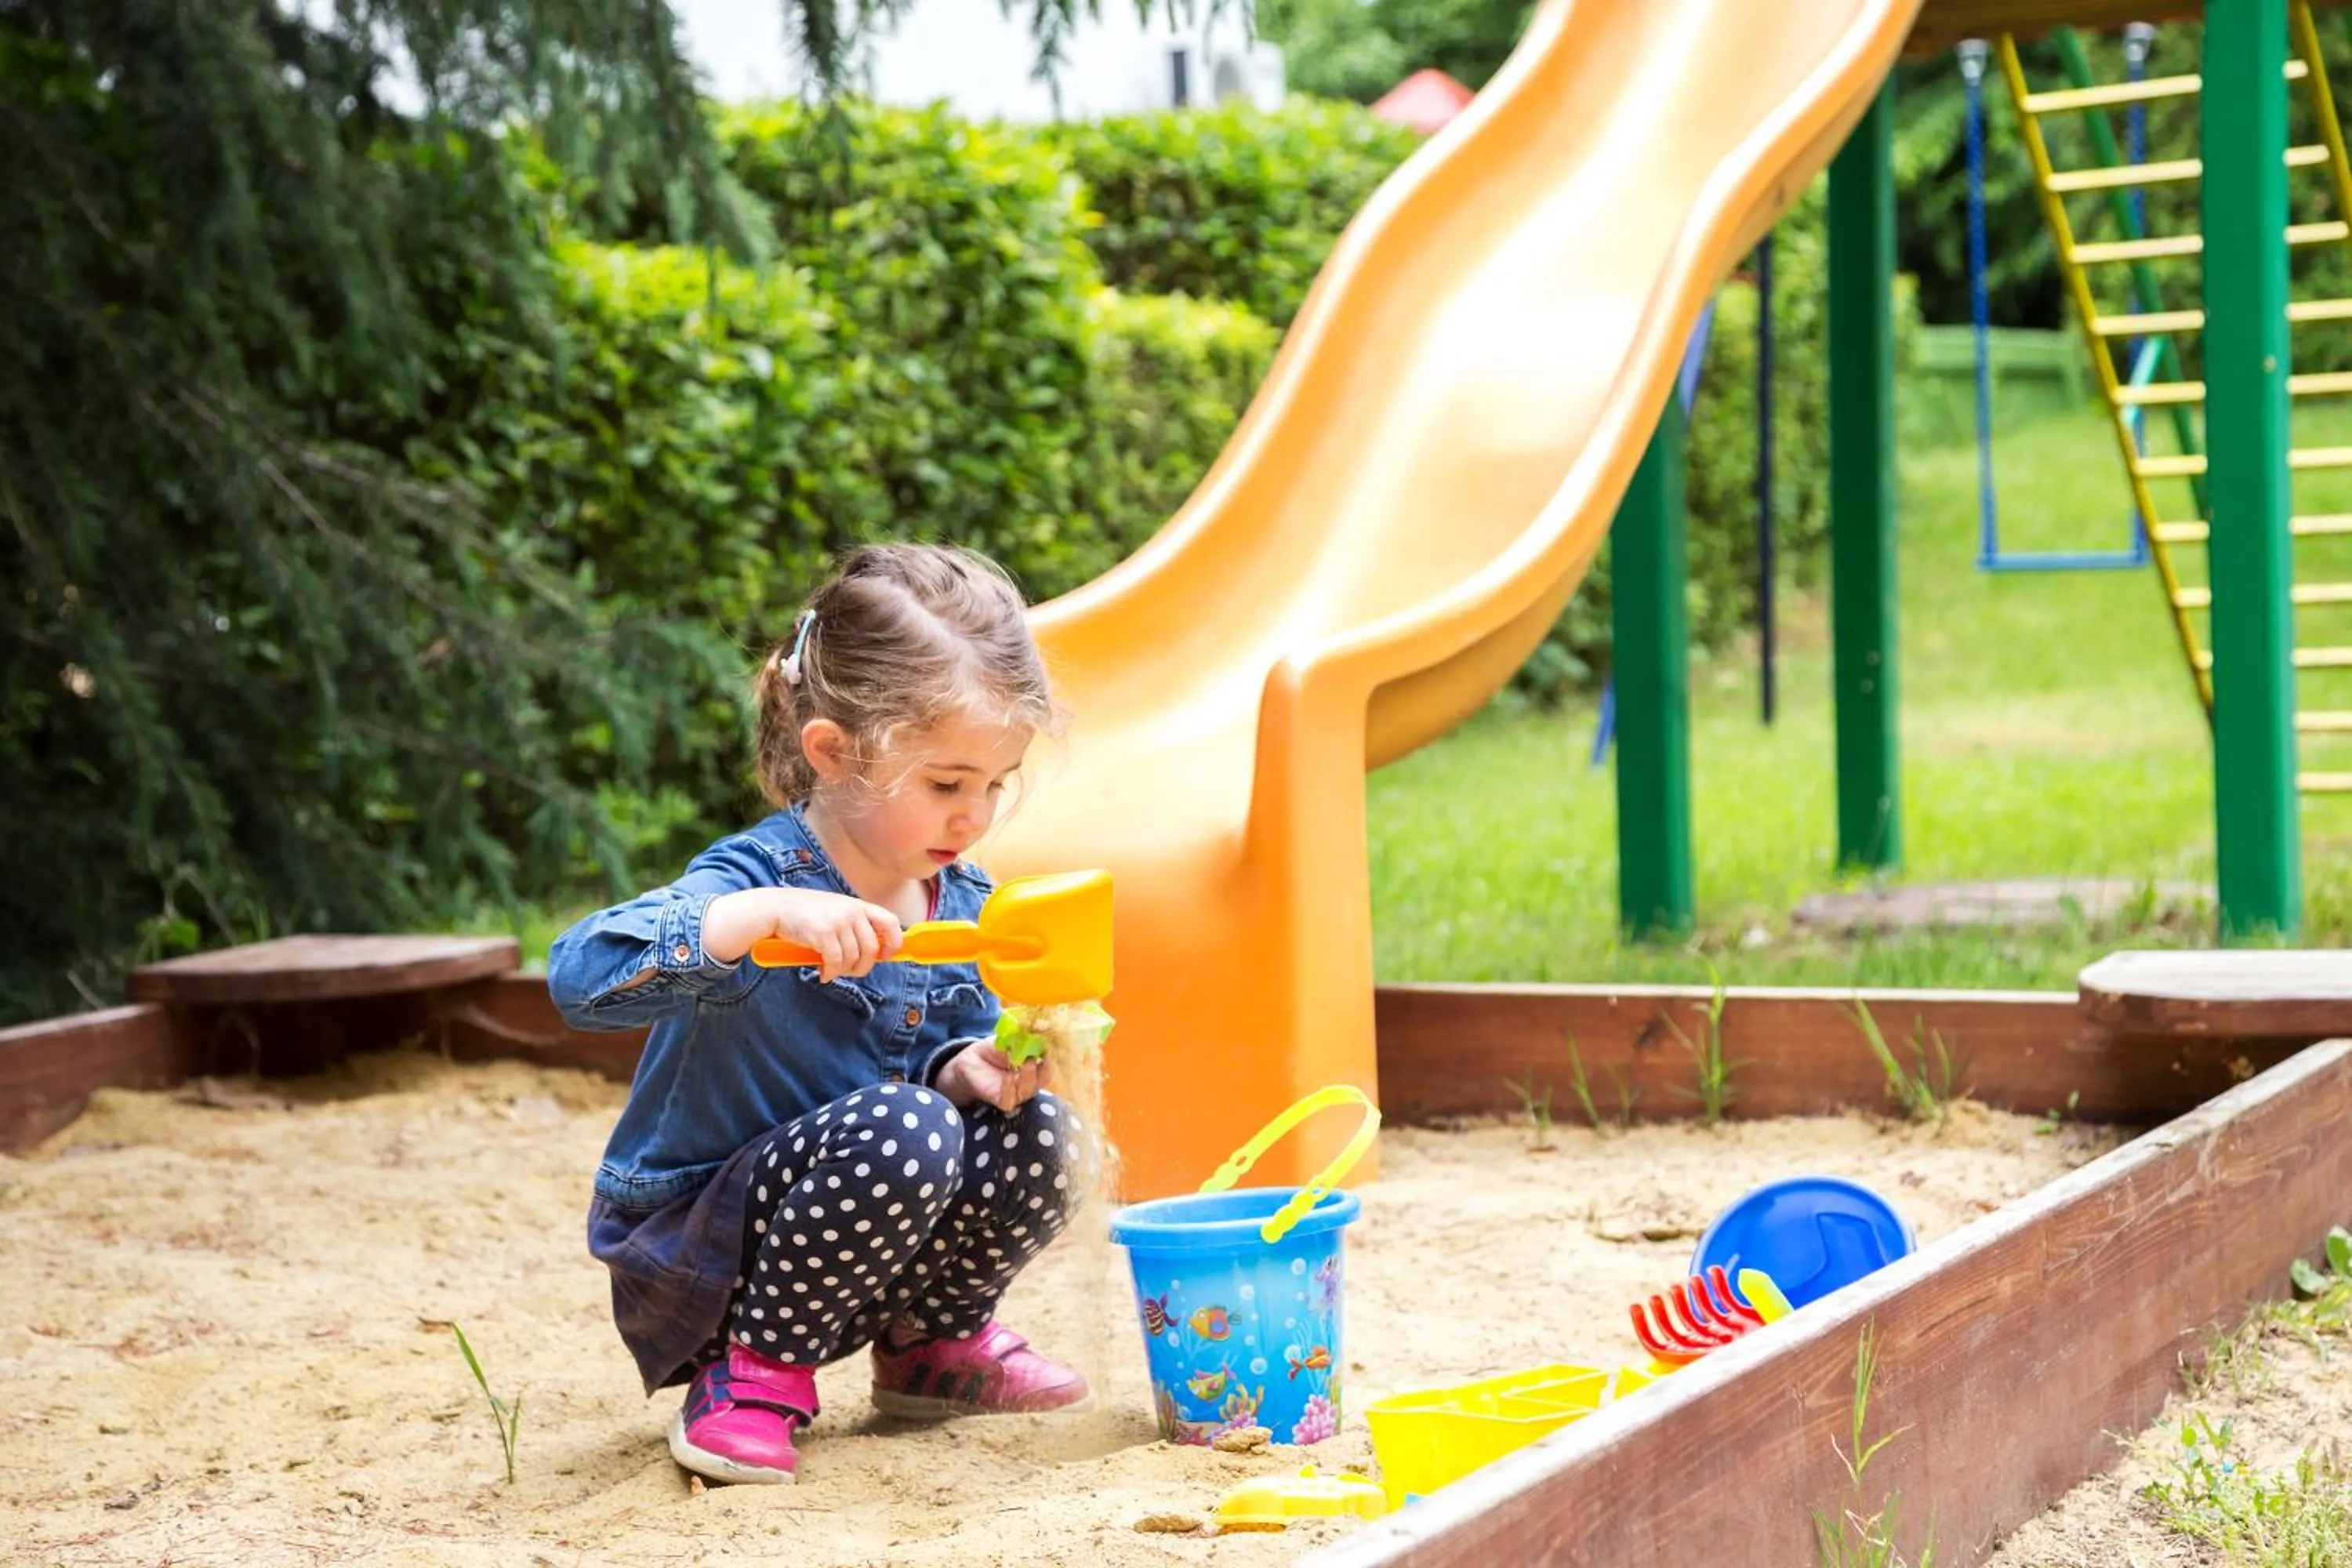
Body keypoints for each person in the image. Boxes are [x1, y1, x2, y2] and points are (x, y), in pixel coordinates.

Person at [548, 543, 1089, 1486]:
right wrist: (753, 922)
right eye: (946, 782)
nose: (975, 815)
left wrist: (970, 1070)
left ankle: (932, 1344)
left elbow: (916, 1075)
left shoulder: (960, 899)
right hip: (704, 1258)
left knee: (1039, 1126)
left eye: (994, 784)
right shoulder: (757, 880)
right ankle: (749, 1378)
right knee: (908, 1127)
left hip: (861, 1240)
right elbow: (578, 974)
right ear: (833, 751)